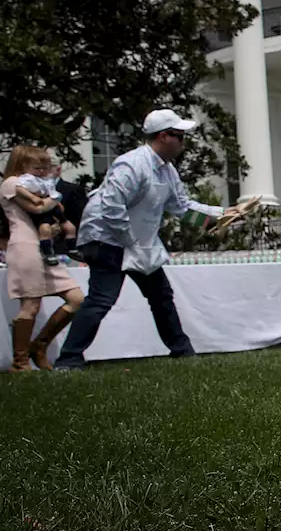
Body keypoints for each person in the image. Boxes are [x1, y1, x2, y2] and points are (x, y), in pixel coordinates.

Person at [54, 110, 236, 371]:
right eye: (180, 137)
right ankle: (68, 359)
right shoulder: (132, 165)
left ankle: (181, 351)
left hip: (135, 242)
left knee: (160, 295)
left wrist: (220, 216)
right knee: (102, 299)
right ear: (164, 136)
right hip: (106, 240)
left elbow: (181, 207)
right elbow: (111, 208)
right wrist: (131, 243)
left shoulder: (166, 170)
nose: (184, 143)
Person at [0, 145, 86, 371]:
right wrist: (55, 199)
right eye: (38, 166)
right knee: (31, 305)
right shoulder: (11, 184)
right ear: (22, 164)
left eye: (45, 166)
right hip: (25, 248)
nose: (42, 171)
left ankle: (40, 345)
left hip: (42, 249)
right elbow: (38, 208)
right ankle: (20, 361)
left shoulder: (36, 185)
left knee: (76, 298)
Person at [12, 167, 77, 265]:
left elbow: (51, 192)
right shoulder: (27, 179)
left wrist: (58, 203)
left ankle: (72, 249)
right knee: (45, 230)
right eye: (37, 168)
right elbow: (19, 189)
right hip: (42, 206)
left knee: (70, 228)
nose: (41, 171)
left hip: (53, 205)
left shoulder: (46, 179)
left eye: (44, 167)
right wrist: (32, 197)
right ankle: (48, 254)